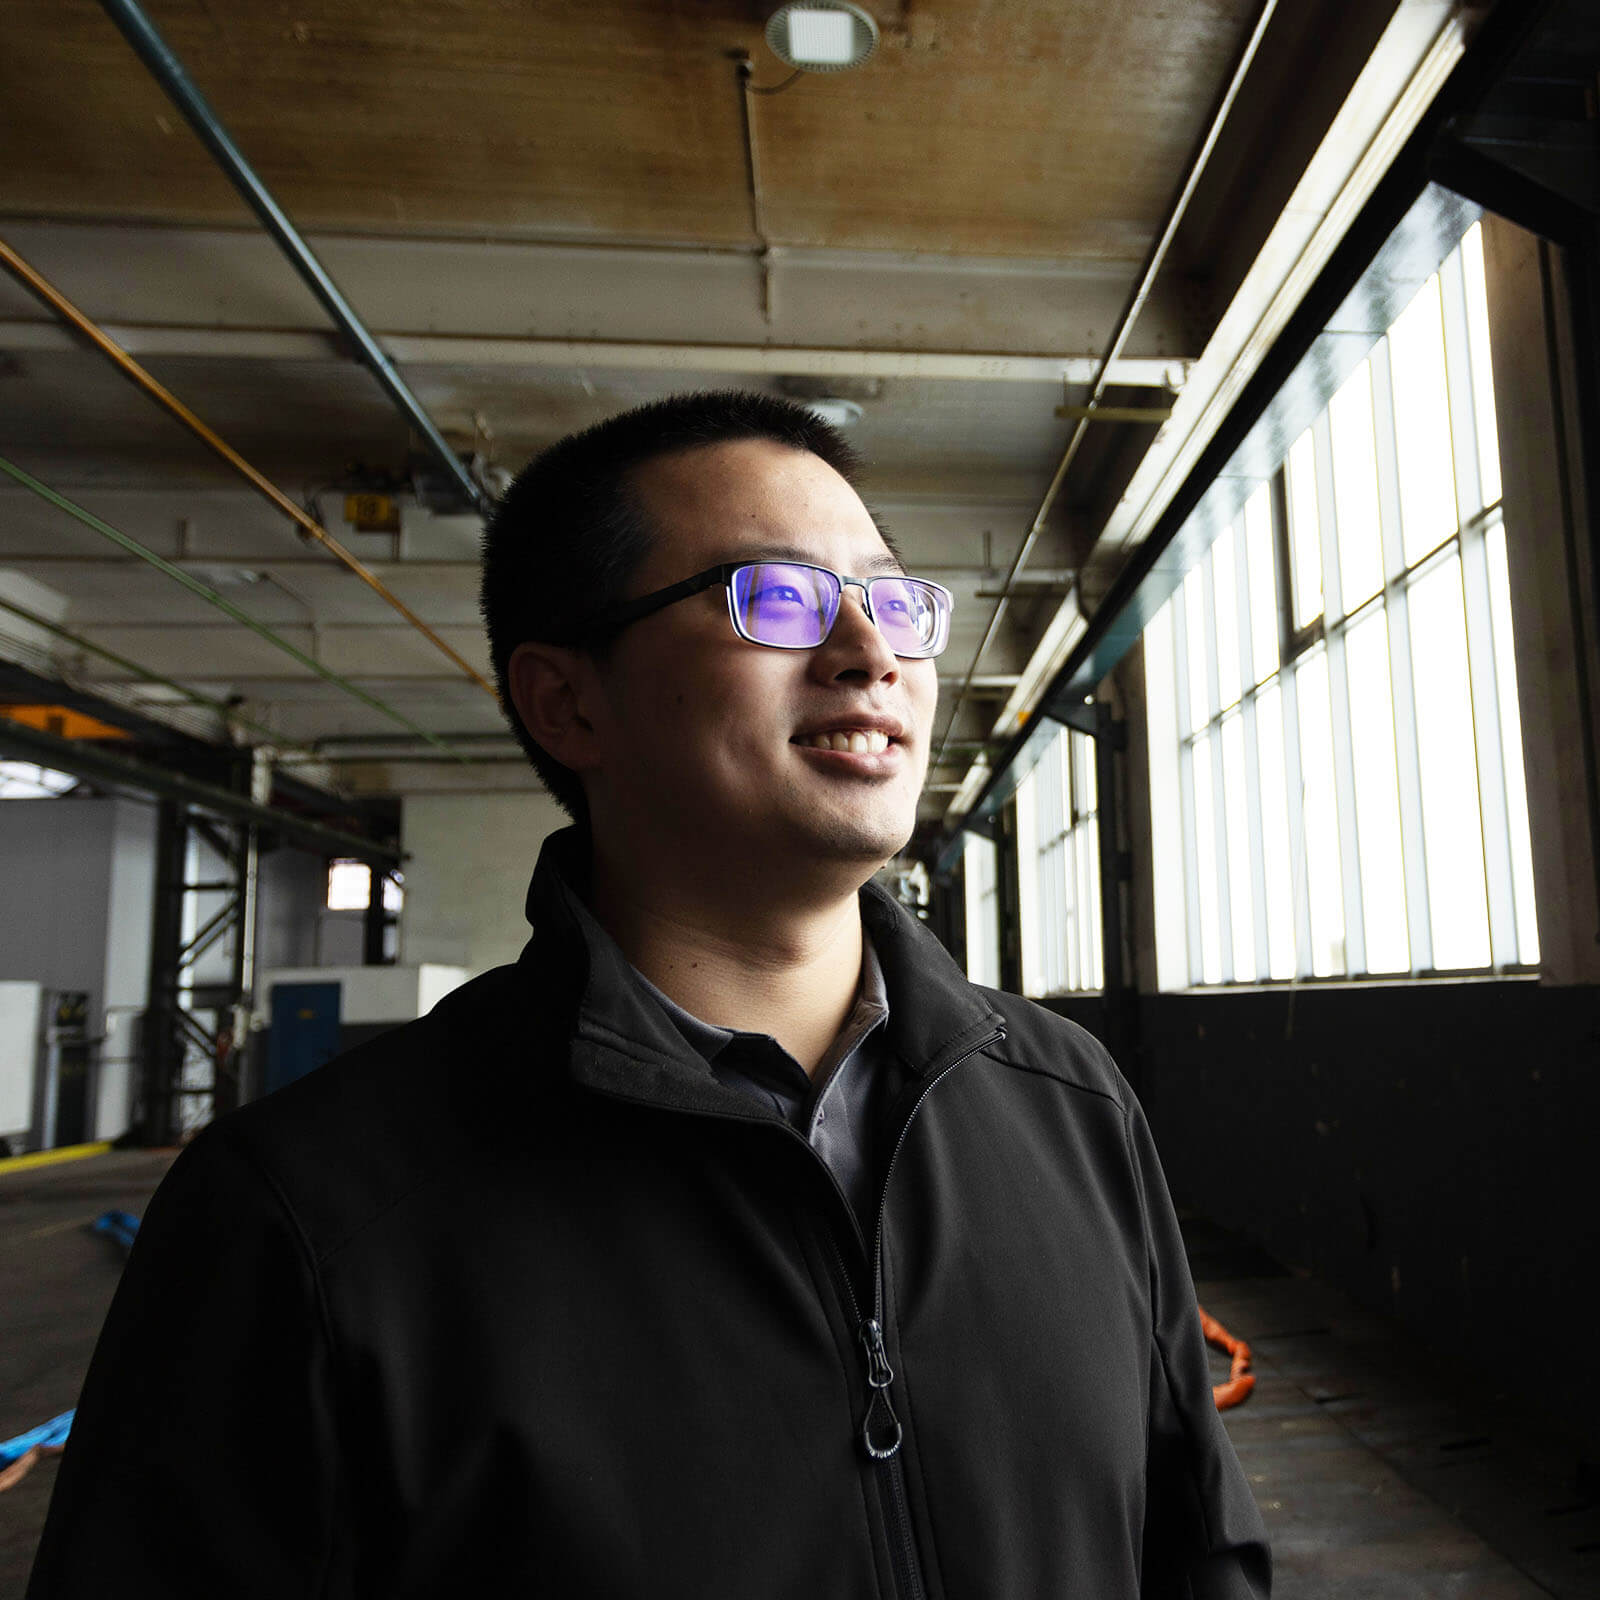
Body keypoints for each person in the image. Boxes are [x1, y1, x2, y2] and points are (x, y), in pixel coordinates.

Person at [29, 390, 1271, 1598]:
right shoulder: (308, 1216)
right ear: (568, 701)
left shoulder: (1065, 1102)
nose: (872, 652)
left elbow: (1197, 1547)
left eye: (892, 597)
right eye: (777, 597)